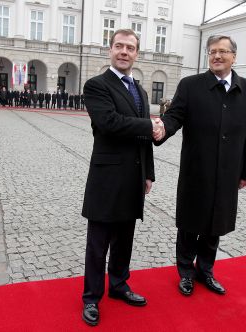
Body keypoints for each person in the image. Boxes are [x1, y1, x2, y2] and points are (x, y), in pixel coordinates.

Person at [155, 35, 246, 297]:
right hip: (196, 169)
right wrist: (162, 129)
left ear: (234, 57)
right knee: (190, 224)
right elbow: (175, 116)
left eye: (223, 52)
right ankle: (186, 273)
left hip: (228, 171)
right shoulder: (191, 85)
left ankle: (206, 271)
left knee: (216, 224)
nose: (217, 56)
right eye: (212, 52)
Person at [81, 28, 163, 327]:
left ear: (136, 53)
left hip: (133, 177)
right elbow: (109, 123)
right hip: (106, 176)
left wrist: (149, 172)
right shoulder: (96, 85)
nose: (124, 52)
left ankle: (118, 285)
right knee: (98, 241)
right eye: (119, 46)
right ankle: (91, 297)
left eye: (130, 47)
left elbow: (143, 137)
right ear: (110, 50)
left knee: (125, 239)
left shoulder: (140, 90)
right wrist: (150, 124)